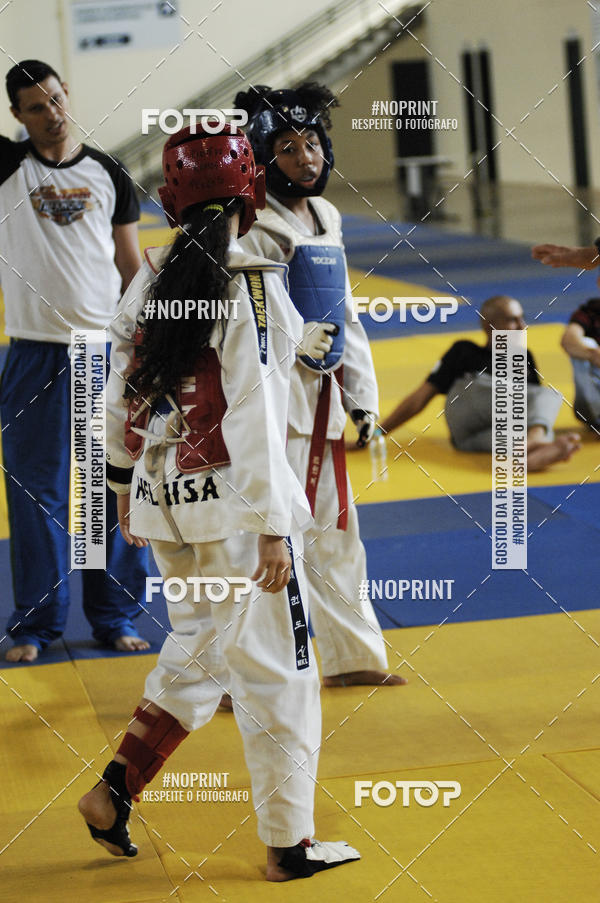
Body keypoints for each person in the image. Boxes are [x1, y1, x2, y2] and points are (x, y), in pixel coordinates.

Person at [78, 124, 360, 881]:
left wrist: (118, 490)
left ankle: (115, 788)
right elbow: (256, 411)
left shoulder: (149, 281)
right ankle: (289, 845)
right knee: (282, 669)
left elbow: (115, 396)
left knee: (202, 647)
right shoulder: (254, 279)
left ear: (171, 202)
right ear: (251, 196)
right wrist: (275, 527)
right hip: (237, 506)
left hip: (164, 500)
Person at [235, 83, 405, 689]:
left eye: (311, 143)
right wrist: (289, 342)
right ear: (261, 155)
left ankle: (354, 657)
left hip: (325, 400)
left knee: (336, 530)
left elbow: (346, 316)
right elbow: (239, 326)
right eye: (287, 147)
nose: (305, 157)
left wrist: (364, 401)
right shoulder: (253, 227)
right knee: (269, 538)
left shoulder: (327, 216)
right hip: (272, 407)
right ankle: (245, 677)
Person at [0, 59, 148, 662]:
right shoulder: (6, 167)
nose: (52, 114)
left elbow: (131, 267)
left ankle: (113, 616)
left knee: (108, 487)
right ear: (17, 116)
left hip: (103, 351)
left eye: (57, 100)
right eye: (36, 107)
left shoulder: (110, 170)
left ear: (69, 96)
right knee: (38, 493)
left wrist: (146, 341)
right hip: (33, 352)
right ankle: (36, 625)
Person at [378, 295, 581, 471]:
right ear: (489, 325)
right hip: (465, 414)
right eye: (512, 320)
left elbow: (534, 409)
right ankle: (539, 441)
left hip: (470, 439)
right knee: (549, 395)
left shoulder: (523, 357)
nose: (522, 326)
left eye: (522, 319)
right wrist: (377, 432)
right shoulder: (464, 351)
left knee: (526, 436)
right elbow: (419, 398)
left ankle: (522, 463)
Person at [559, 298, 600, 432]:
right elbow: (569, 341)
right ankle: (597, 417)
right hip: (593, 395)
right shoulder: (589, 312)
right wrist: (593, 354)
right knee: (585, 344)